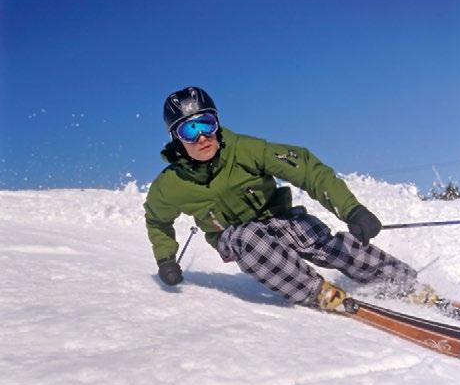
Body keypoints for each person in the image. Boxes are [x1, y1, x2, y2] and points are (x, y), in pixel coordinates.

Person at [144, 86, 435, 311]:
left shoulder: (246, 150)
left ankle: (401, 282)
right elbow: (157, 220)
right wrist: (166, 259)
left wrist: (352, 210)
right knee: (249, 236)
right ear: (176, 138)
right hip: (237, 237)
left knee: (320, 239)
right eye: (189, 129)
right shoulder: (170, 186)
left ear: (217, 123)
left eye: (206, 124)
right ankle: (316, 292)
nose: (202, 137)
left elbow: (306, 168)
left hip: (279, 219)